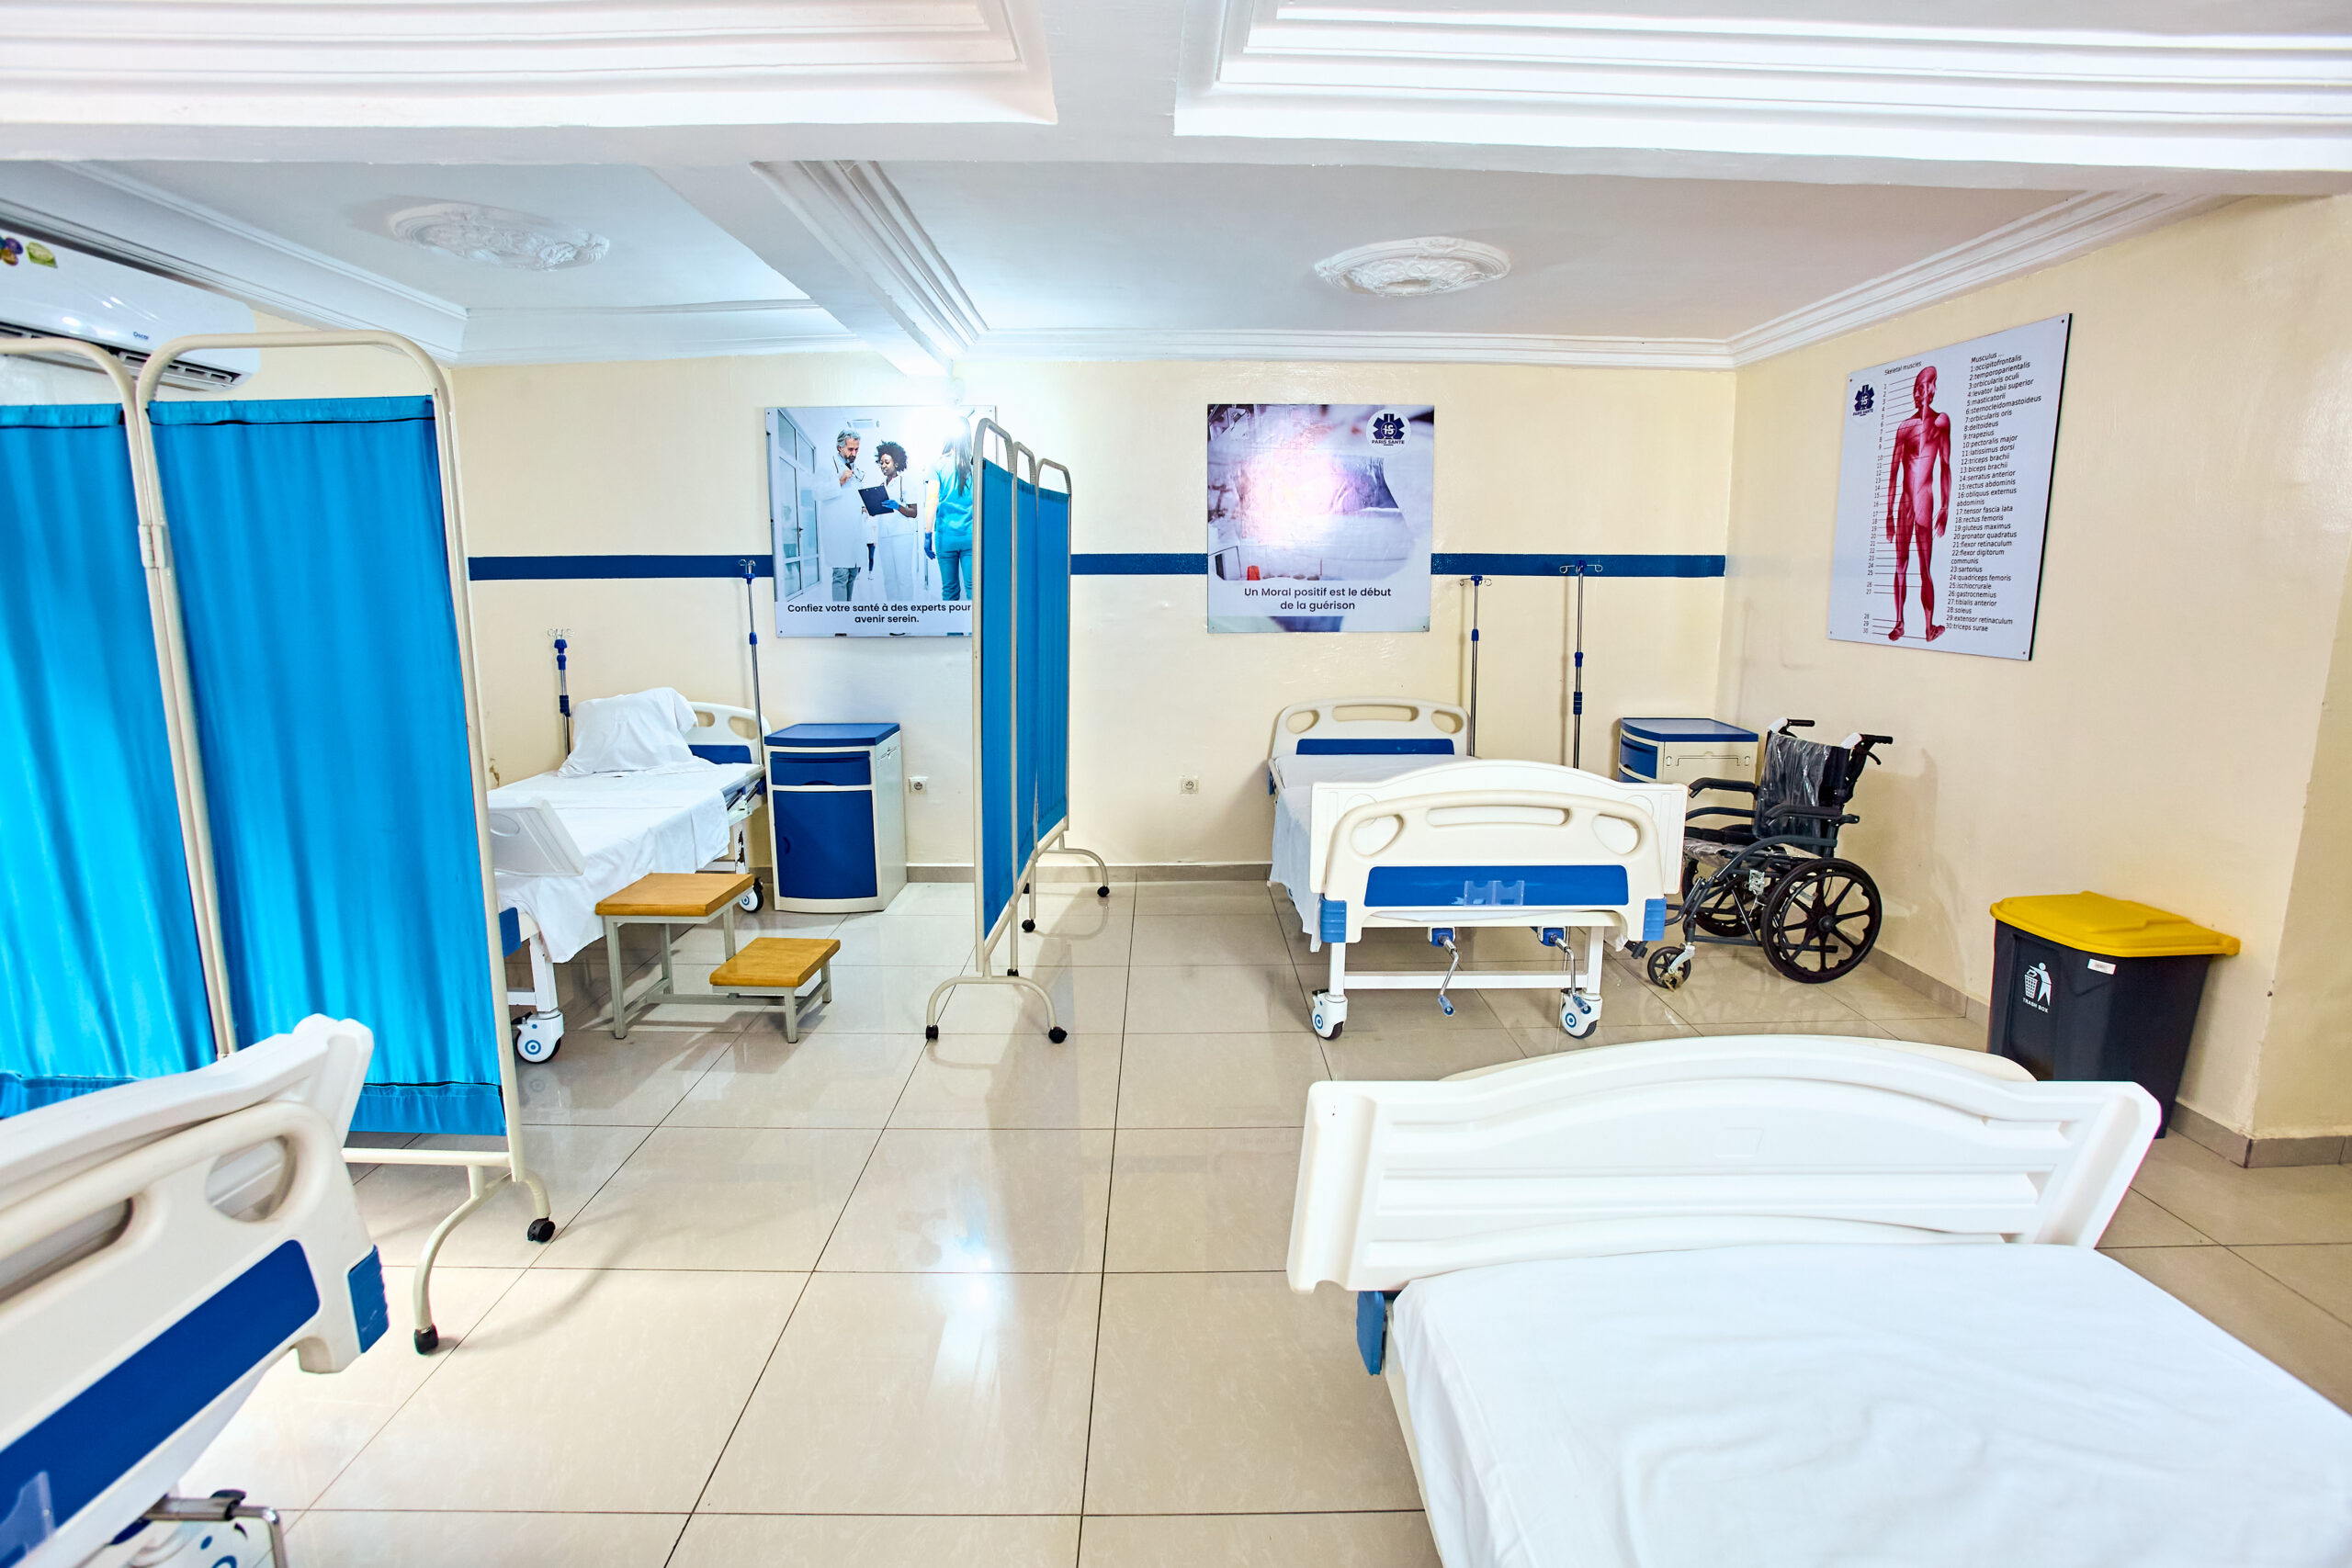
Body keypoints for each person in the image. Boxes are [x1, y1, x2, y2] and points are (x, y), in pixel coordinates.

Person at [1884, 365, 1951, 642]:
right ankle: (1899, 622)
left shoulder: (1940, 422)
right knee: (1901, 564)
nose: (1922, 392)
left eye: (1926, 386)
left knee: (1925, 568)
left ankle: (1928, 627)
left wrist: (1945, 507)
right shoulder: (1904, 427)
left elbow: (1945, 465)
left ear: (1933, 389)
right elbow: (1893, 471)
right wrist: (1889, 513)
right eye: (1918, 388)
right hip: (1906, 505)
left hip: (1925, 502)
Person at [819, 427, 872, 602]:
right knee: (841, 574)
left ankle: (846, 612)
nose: (854, 453)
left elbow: (854, 497)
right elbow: (817, 493)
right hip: (837, 531)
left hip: (855, 529)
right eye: (850, 449)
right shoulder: (827, 467)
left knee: (852, 573)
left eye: (857, 449)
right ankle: (840, 616)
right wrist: (839, 481)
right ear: (839, 447)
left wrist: (863, 507)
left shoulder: (856, 470)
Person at [871, 440, 926, 602]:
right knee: (888, 578)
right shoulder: (880, 486)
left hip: (902, 535)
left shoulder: (905, 483)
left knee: (903, 576)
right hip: (884, 536)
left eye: (887, 462)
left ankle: (906, 612)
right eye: (881, 463)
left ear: (896, 463)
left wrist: (898, 506)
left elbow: (914, 512)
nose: (883, 466)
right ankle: (893, 611)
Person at [932, 430, 976, 604]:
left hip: (946, 536)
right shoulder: (977, 463)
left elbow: (932, 500)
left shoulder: (938, 464)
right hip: (971, 535)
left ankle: (952, 624)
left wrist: (927, 535)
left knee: (949, 590)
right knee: (973, 590)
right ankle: (975, 624)